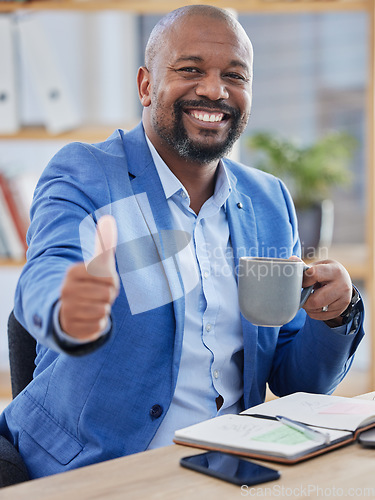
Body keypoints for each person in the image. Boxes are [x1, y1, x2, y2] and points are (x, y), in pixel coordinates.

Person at [0, 4, 364, 480]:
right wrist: (67, 303)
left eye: (235, 75)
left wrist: (336, 314)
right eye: (191, 69)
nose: (215, 90)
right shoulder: (86, 173)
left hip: (228, 469)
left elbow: (297, 378)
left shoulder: (268, 198)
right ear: (147, 85)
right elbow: (47, 270)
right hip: (95, 470)